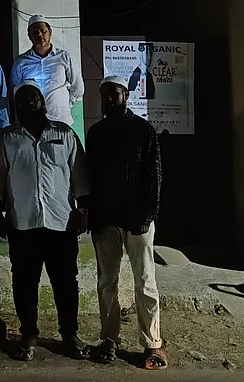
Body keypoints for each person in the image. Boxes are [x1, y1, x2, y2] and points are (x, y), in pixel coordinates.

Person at [0, 82, 91, 362]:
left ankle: (69, 335)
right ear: (16, 107)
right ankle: (28, 334)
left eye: (34, 97)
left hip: (61, 222)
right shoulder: (7, 139)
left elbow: (79, 173)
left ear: (43, 102)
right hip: (23, 223)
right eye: (23, 99)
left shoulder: (64, 134)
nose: (30, 102)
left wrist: (83, 210)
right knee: (24, 282)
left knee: (66, 282)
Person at [86, 76, 165, 371]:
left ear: (126, 95)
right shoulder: (96, 133)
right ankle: (109, 339)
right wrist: (92, 216)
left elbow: (154, 176)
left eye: (114, 94)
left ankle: (153, 343)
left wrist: (147, 216)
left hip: (137, 221)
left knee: (145, 282)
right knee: (107, 283)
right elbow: (90, 177)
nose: (108, 100)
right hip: (105, 220)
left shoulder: (143, 130)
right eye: (104, 95)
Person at [10, 15, 84, 125]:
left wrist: (65, 104)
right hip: (31, 121)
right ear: (29, 36)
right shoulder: (21, 62)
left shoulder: (64, 57)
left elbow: (78, 88)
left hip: (60, 118)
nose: (39, 34)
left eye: (43, 31)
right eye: (35, 33)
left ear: (50, 32)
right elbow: (14, 92)